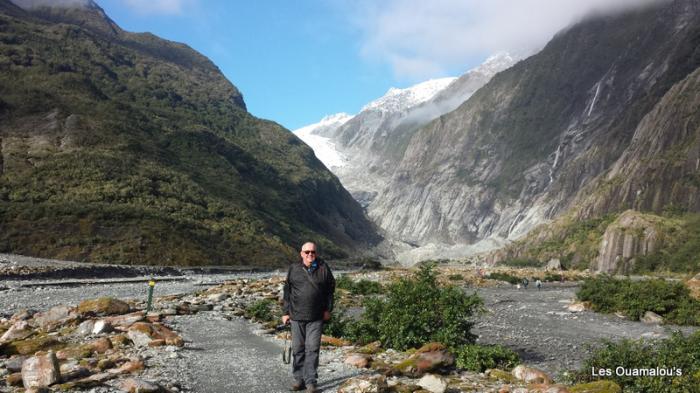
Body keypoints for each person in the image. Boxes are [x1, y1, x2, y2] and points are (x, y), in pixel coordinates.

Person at [282, 242, 336, 393]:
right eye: (307, 252)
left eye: (312, 252)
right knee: (298, 349)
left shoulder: (323, 268)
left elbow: (330, 290)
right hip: (296, 316)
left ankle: (311, 382)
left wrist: (328, 309)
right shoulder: (294, 269)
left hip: (316, 316)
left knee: (312, 349)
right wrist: (285, 312)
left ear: (316, 253)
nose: (310, 254)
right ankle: (299, 380)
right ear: (301, 254)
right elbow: (287, 292)